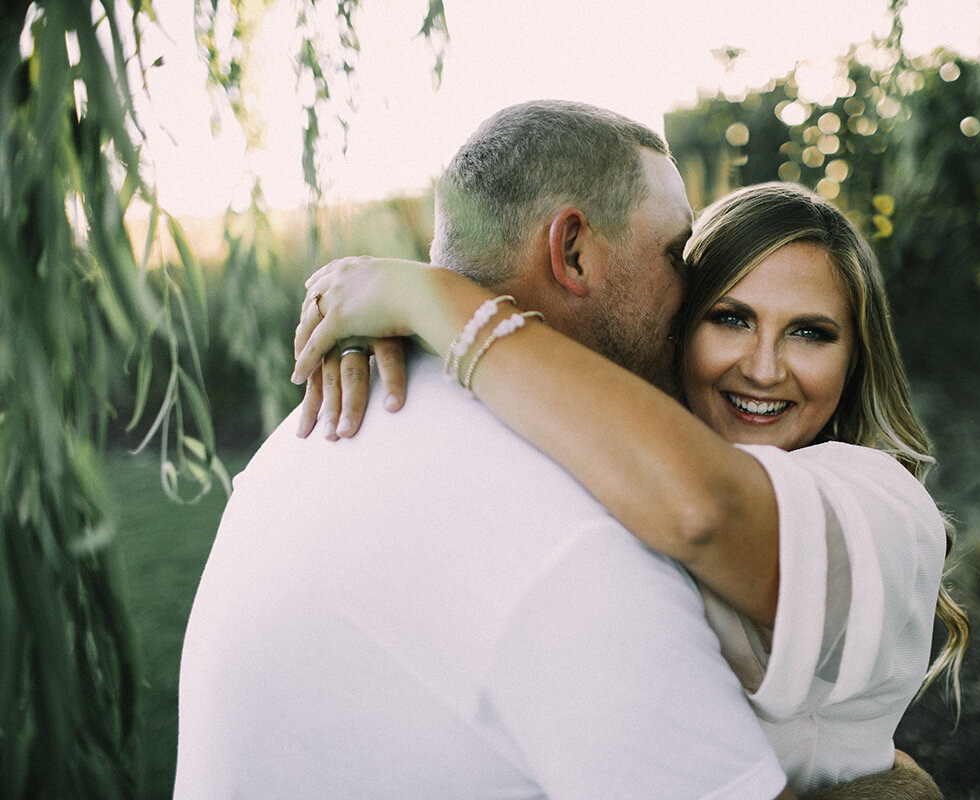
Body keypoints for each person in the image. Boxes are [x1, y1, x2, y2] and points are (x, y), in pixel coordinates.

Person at [176, 100, 940, 799]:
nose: (762, 366)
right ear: (572, 250)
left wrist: (428, 295)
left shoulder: (301, 443)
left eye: (810, 331)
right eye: (685, 266)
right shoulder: (576, 525)